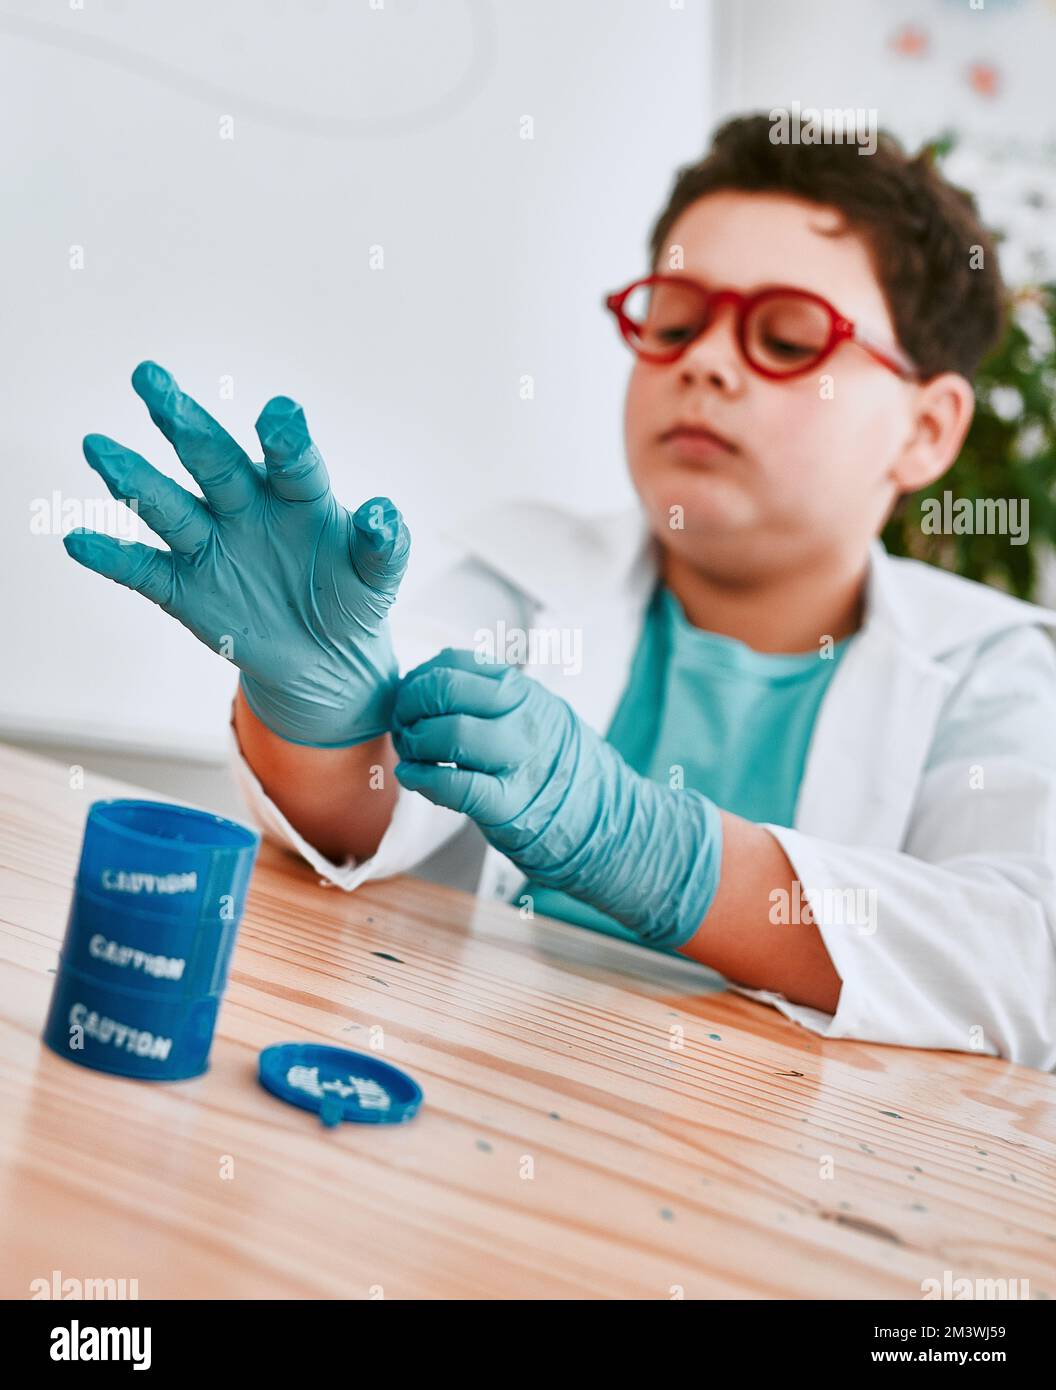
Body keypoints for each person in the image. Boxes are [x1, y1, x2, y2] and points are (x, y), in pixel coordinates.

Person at [64, 115, 1056, 1068]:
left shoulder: (989, 671)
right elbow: (363, 817)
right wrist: (317, 724)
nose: (704, 361)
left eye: (788, 338)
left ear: (929, 429)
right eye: (674, 320)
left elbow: (1020, 958)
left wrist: (665, 856)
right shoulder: (519, 576)